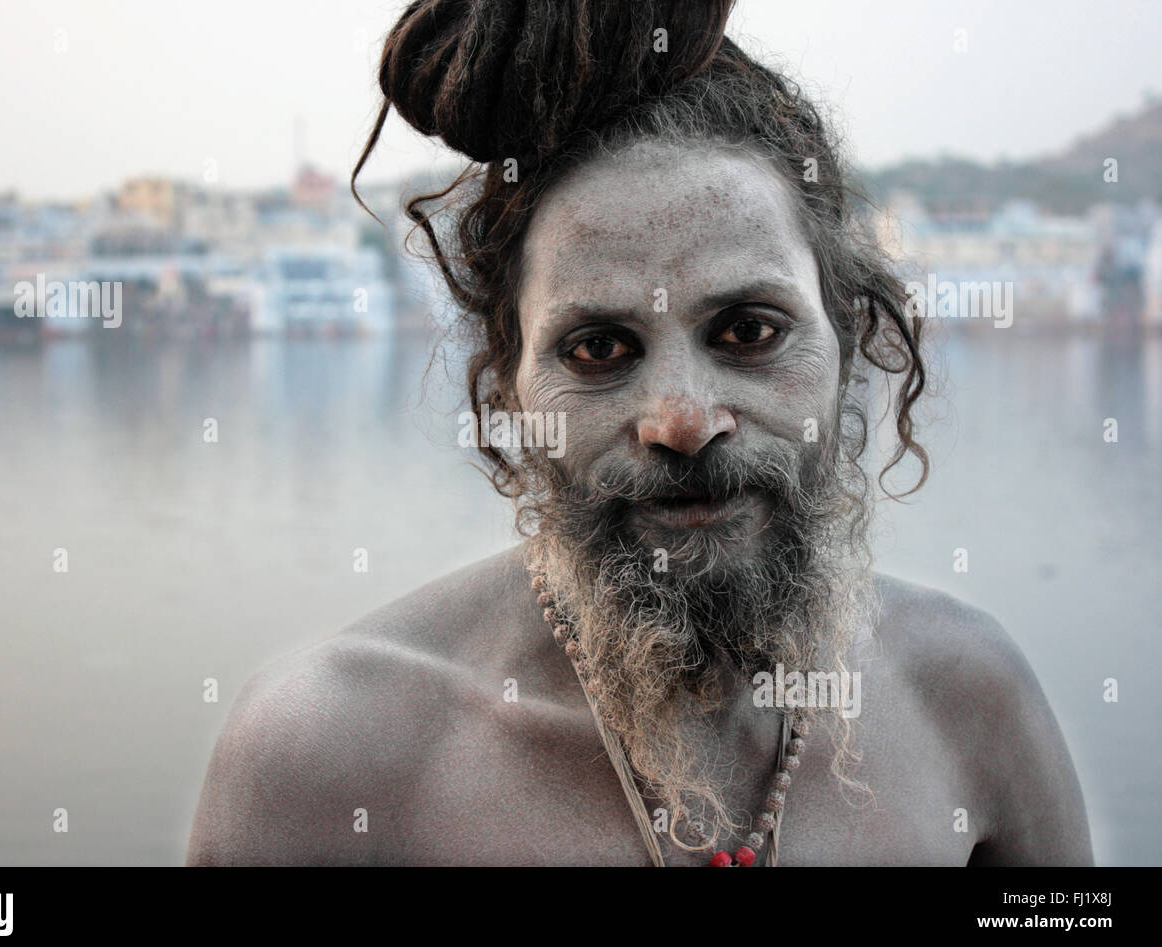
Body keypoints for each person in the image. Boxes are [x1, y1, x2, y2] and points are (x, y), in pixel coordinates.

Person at [187, 0, 1091, 866]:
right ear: (506, 392)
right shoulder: (328, 754)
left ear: (849, 340)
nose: (684, 423)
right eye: (599, 348)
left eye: (748, 331)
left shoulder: (970, 700)